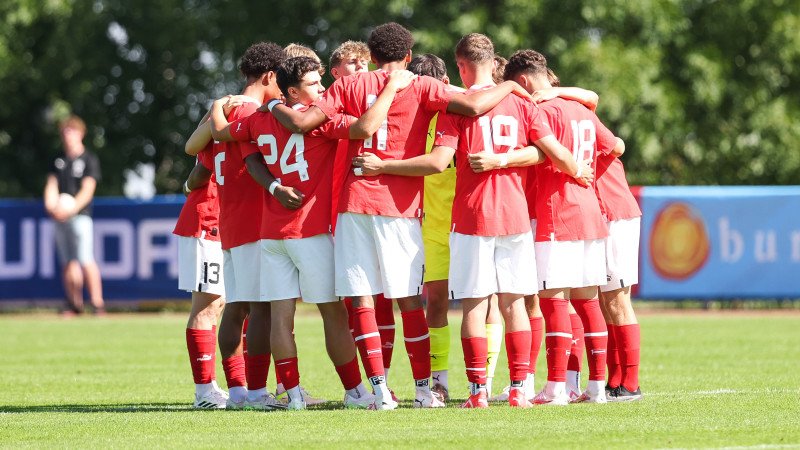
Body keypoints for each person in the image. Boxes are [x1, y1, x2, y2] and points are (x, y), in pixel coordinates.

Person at [266, 23, 529, 410]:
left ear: (371, 57)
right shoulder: (422, 86)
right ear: (408, 57)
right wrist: (509, 85)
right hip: (400, 210)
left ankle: (379, 391)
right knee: (409, 301)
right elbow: (473, 105)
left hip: (353, 204)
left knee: (363, 303)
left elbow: (305, 121)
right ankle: (424, 391)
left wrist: (271, 102)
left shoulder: (347, 86)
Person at [211, 56, 415, 409]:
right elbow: (365, 127)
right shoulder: (323, 122)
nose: (322, 89)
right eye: (314, 84)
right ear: (293, 91)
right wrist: (390, 90)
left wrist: (217, 107)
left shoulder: (258, 118)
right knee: (333, 313)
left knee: (280, 316)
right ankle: (355, 392)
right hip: (310, 230)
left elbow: (221, 134)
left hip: (272, 234)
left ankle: (292, 396)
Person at [502, 49, 625, 405]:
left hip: (558, 215)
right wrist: (585, 166)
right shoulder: (580, 109)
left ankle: (556, 387)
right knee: (588, 303)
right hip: (591, 214)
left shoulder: (541, 111)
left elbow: (538, 153)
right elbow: (615, 146)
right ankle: (597, 388)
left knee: (553, 300)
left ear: (522, 81)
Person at [186, 41, 287, 410]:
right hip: (257, 219)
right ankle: (257, 393)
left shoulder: (225, 110)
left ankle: (240, 392)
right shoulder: (262, 113)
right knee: (259, 309)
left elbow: (193, 150)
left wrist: (214, 109)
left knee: (237, 307)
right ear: (270, 76)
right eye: (281, 82)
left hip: (230, 220)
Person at [174, 137, 228, 408]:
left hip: (220, 222)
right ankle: (203, 391)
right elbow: (201, 170)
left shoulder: (225, 117)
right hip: (206, 220)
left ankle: (211, 386)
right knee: (206, 306)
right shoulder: (226, 119)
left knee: (217, 304)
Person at [595, 141, 643, 402]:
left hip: (616, 214)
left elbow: (618, 145)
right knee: (606, 301)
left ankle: (631, 384)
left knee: (617, 300)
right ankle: (615, 381)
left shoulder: (583, 115)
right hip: (602, 216)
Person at [44, 114, 104, 316]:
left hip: (80, 216)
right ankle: (74, 303)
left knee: (86, 258)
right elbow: (51, 186)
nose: (68, 136)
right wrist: (52, 207)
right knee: (67, 261)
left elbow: (88, 190)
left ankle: (97, 303)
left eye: (72, 132)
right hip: (60, 216)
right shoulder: (58, 159)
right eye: (65, 132)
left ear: (81, 133)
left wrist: (70, 208)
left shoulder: (89, 159)